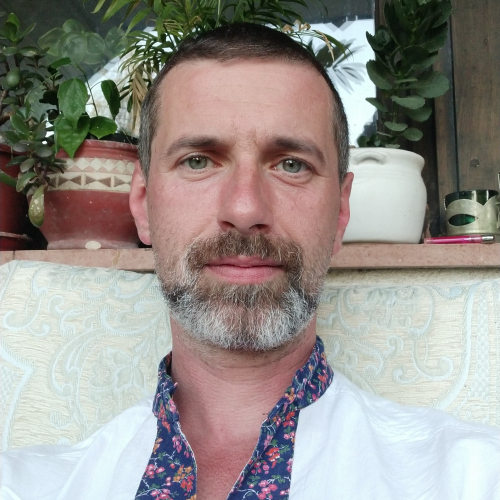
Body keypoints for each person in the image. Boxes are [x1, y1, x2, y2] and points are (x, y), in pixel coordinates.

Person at [1, 23, 499, 500]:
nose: (244, 210)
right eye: (198, 161)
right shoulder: (23, 486)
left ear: (340, 213)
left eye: (291, 165)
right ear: (143, 204)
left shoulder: (473, 477)